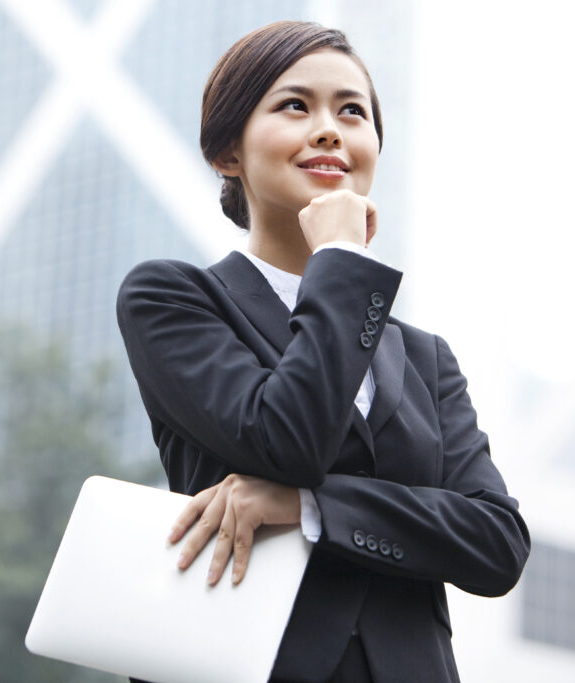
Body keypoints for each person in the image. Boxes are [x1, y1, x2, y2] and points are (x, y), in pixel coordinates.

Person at [116, 20, 530, 683]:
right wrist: (338, 258)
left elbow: (496, 541)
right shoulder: (173, 299)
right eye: (294, 105)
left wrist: (309, 509)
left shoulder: (425, 359)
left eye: (353, 111)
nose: (331, 128)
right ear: (228, 153)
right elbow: (287, 439)